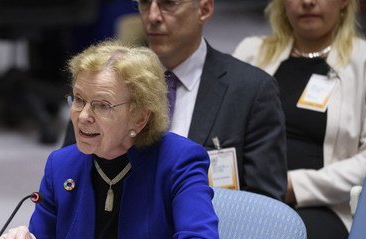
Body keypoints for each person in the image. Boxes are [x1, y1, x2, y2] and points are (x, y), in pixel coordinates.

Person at [0, 41, 221, 239]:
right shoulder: (61, 165)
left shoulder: (178, 160)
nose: (83, 116)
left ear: (140, 118)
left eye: (102, 106)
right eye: (79, 100)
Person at [63, 0, 288, 202]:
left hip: (209, 236)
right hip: (110, 232)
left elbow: (265, 207)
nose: (152, 16)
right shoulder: (105, 81)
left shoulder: (250, 89)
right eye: (144, 3)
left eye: (169, 4)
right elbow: (69, 175)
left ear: (205, 9)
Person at [234, 0, 366, 239]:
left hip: (326, 206)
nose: (307, 2)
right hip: (249, 198)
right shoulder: (252, 52)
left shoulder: (362, 61)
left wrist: (294, 185)